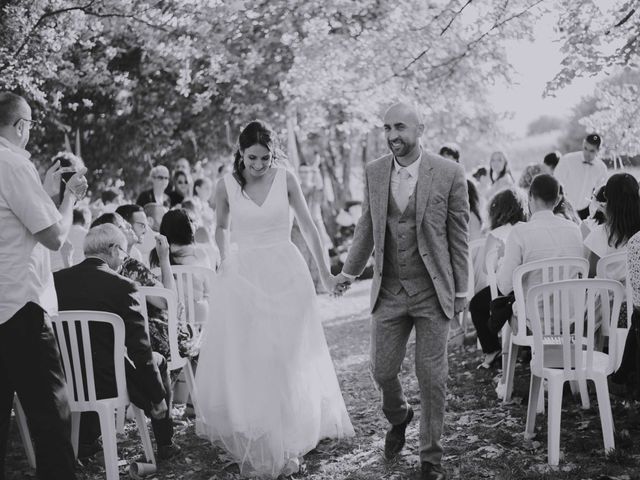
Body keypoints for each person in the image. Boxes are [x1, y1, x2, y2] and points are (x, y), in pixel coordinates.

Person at [195, 120, 354, 478]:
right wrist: (222, 261)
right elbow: (220, 227)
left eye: (265, 157)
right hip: (245, 278)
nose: (259, 164)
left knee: (287, 356)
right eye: (252, 157)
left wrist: (327, 275)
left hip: (287, 275)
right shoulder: (226, 186)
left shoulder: (286, 178)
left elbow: (309, 226)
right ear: (241, 152)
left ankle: (291, 442)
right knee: (257, 357)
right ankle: (264, 433)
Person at [334, 103, 470, 480]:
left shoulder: (449, 173)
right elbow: (367, 225)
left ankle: (431, 458)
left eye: (400, 127)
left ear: (420, 129)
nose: (393, 135)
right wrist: (349, 271)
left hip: (432, 291)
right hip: (390, 289)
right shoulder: (375, 172)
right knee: (381, 370)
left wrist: (461, 293)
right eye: (387, 128)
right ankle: (400, 416)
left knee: (432, 377)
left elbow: (459, 239)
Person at [0, 91, 87, 480]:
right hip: (22, 306)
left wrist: (46, 196)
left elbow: (15, 223)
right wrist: (67, 199)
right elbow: (54, 237)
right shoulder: (15, 164)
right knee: (50, 414)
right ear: (21, 126)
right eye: (31, 126)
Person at [53, 224, 180, 461]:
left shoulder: (56, 281)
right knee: (157, 360)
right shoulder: (122, 286)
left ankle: (87, 440)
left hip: (66, 378)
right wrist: (156, 396)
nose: (123, 258)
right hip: (109, 381)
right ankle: (165, 440)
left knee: (91, 355)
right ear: (112, 249)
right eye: (122, 252)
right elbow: (140, 348)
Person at [496, 174, 585, 299]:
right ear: (557, 200)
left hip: (533, 315)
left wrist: (501, 261)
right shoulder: (574, 229)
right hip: (572, 314)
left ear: (530, 196)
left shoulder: (519, 233)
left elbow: (505, 287)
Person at [469, 188, 527, 368]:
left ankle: (492, 349)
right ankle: (522, 348)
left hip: (504, 291)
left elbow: (488, 270)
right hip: (528, 288)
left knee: (477, 305)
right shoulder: (527, 228)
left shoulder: (495, 234)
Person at [583, 173, 640, 278]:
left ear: (607, 199)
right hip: (635, 293)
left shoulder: (601, 233)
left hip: (609, 293)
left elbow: (590, 273)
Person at [553, 133, 608, 220]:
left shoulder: (601, 168)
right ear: (583, 144)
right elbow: (556, 182)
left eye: (592, 151)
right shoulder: (567, 160)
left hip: (585, 211)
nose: (587, 153)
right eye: (585, 148)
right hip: (564, 209)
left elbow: (600, 192)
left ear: (599, 150)